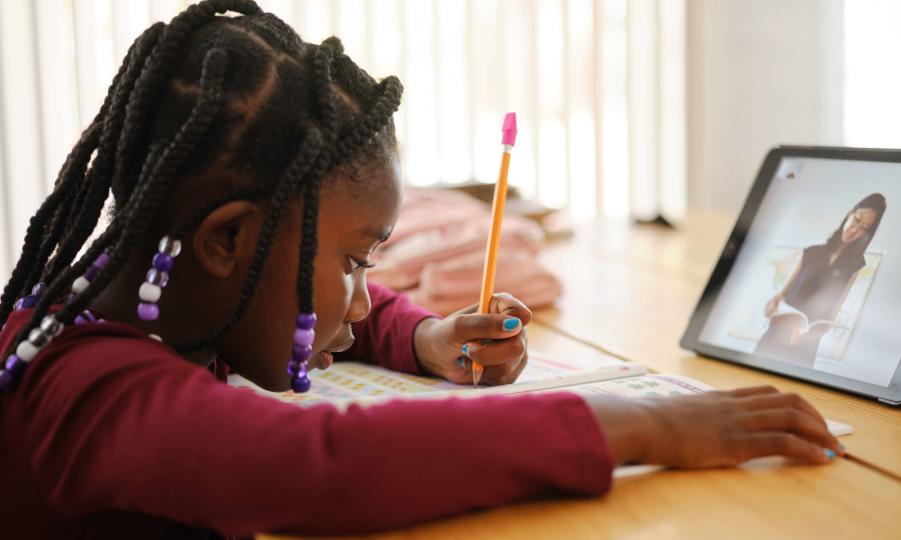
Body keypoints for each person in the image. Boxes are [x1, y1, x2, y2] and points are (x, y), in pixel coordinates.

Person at [0, 2, 842, 537]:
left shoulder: (153, 285)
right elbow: (313, 466)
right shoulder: (89, 388)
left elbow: (327, 307)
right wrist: (635, 424)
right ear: (226, 241)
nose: (367, 299)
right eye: (355, 262)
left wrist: (426, 336)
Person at [757, 193, 887, 367]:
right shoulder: (810, 252)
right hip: (776, 336)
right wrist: (773, 310)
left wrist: (806, 336)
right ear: (850, 213)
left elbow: (831, 317)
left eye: (864, 227)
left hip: (806, 346)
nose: (854, 230)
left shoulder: (855, 266)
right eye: (856, 219)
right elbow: (777, 301)